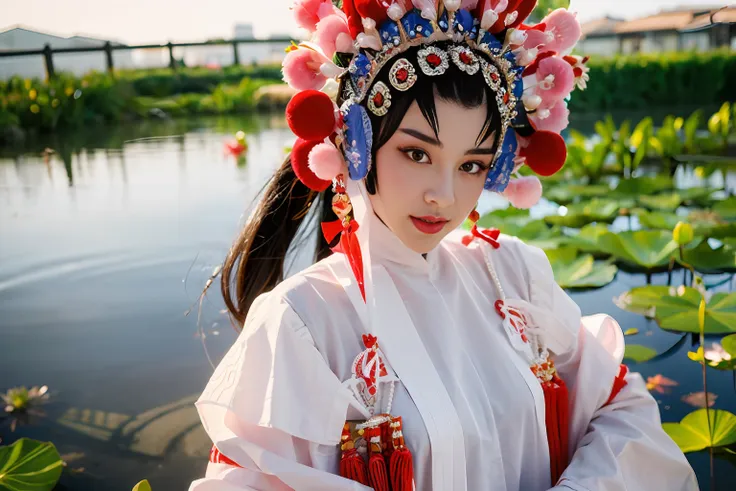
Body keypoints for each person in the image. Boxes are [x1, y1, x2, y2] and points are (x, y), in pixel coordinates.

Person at [189, 1, 698, 490]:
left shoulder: (514, 272)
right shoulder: (301, 321)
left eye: (471, 164)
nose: (444, 194)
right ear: (355, 143)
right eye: (416, 153)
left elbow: (621, 412)